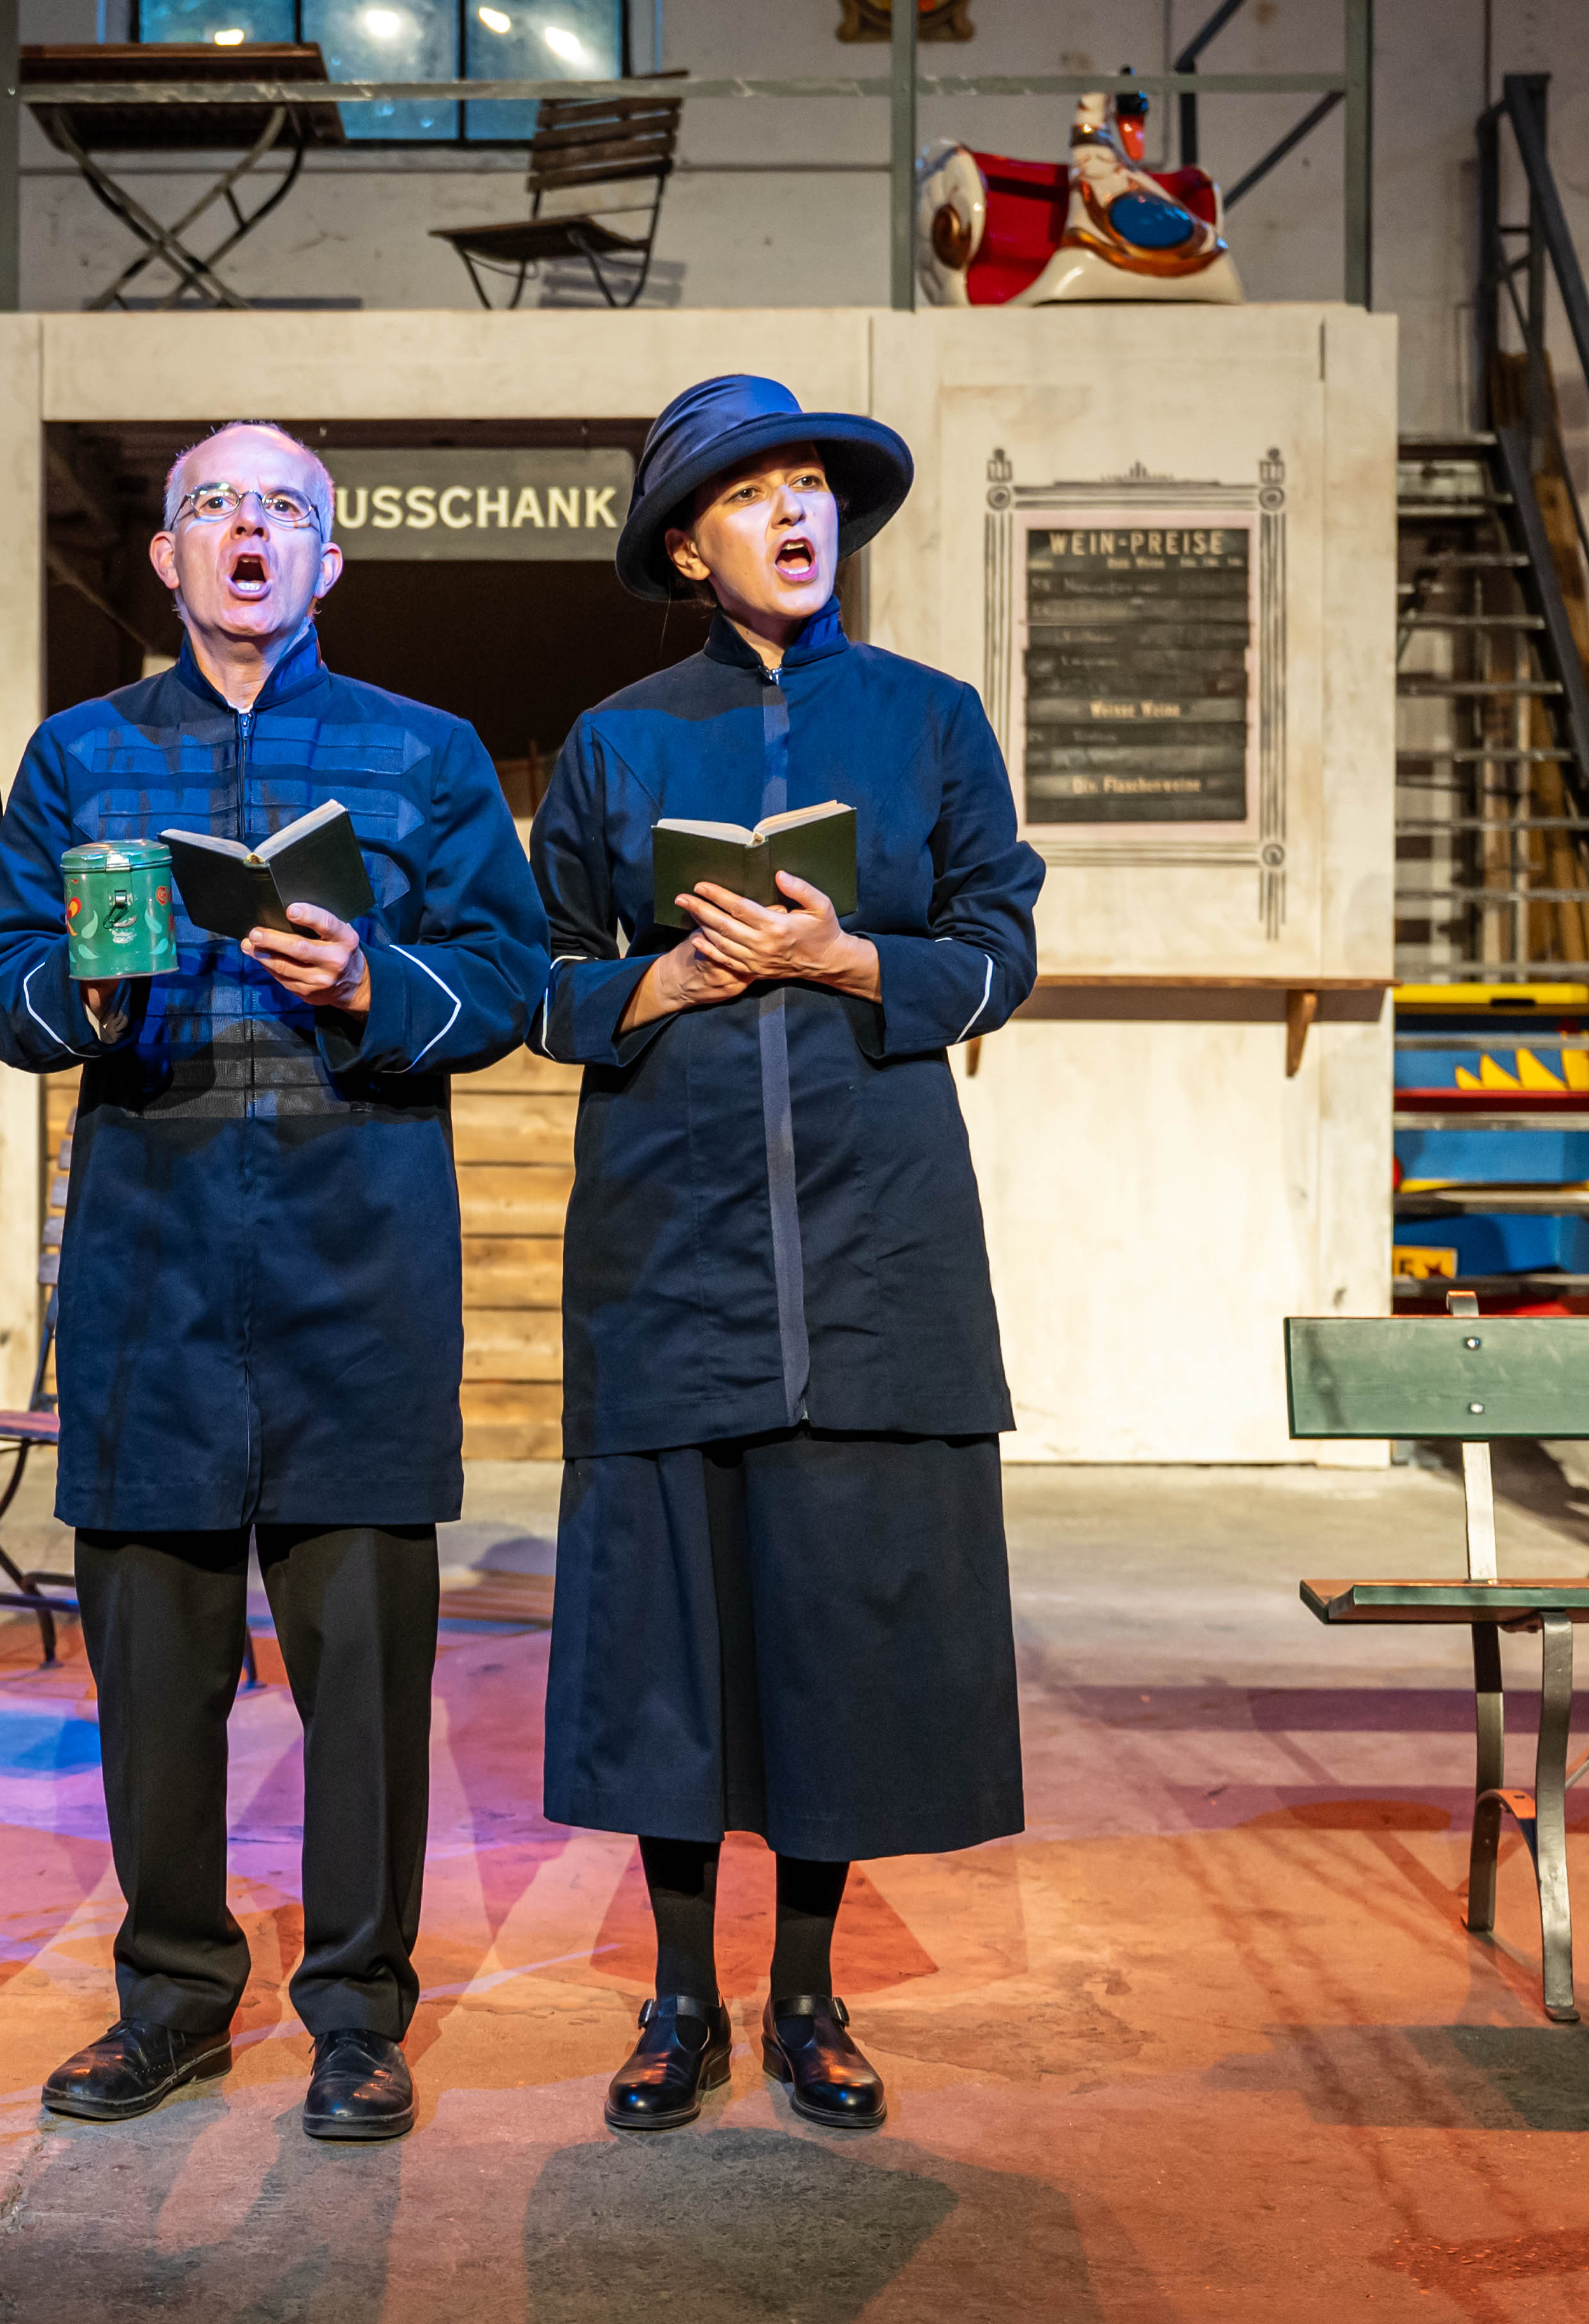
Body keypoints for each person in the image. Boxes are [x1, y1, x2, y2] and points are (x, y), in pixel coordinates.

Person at [0, 421, 547, 2143]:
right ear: (166, 557)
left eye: (284, 507)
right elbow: (0, 983)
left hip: (356, 1257)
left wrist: (373, 981)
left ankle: (358, 2011)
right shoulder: (78, 753)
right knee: (154, 1679)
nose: (249, 528)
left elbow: (509, 977)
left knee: (361, 1678)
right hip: (147, 1256)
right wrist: (83, 990)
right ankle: (168, 1994)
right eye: (214, 504)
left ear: (327, 561)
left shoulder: (423, 750)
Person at [525, 375, 1043, 2133]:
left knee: (833, 1620)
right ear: (688, 547)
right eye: (751, 494)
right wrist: (657, 980)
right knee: (674, 1626)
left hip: (872, 1224)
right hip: (670, 1234)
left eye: (810, 483)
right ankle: (679, 1992)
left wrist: (851, 961)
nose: (794, 512)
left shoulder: (927, 717)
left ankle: (808, 1990)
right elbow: (540, 979)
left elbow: (1001, 943)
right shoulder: (617, 739)